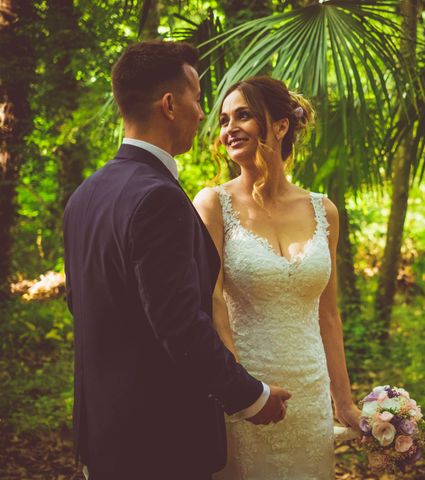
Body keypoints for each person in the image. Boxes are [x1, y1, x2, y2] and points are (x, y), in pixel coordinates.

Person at [63, 41, 290, 480]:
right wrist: (251, 397)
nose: (204, 114)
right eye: (199, 99)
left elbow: (83, 306)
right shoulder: (159, 198)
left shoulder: (83, 197)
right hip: (158, 444)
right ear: (170, 104)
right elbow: (179, 323)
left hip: (102, 438)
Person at [194, 76, 361, 479]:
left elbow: (329, 316)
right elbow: (212, 301)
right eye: (224, 120)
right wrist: (242, 394)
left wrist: (345, 402)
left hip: (310, 396)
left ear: (281, 125)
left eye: (244, 116)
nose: (229, 129)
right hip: (248, 391)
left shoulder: (325, 211)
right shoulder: (212, 204)